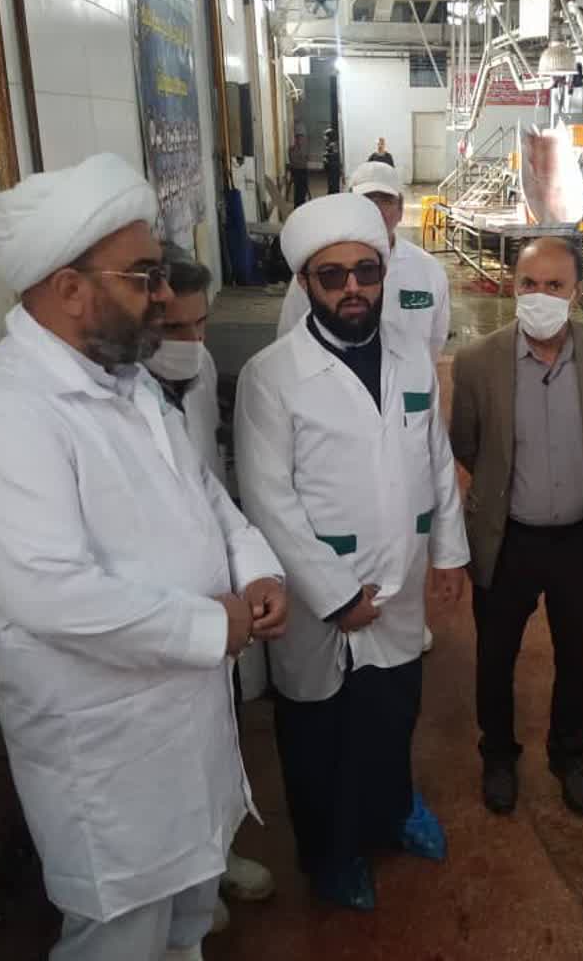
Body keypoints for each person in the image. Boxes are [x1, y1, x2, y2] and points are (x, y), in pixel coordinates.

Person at [0, 153, 288, 961]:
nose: (163, 293)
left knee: (187, 922)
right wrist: (214, 626)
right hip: (108, 748)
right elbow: (49, 594)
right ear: (68, 288)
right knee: (122, 937)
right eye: (143, 276)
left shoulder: (128, 385)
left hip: (184, 722)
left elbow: (205, 496)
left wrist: (255, 567)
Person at [234, 193, 470, 911]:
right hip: (321, 596)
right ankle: (331, 855)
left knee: (393, 710)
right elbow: (268, 501)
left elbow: (435, 460)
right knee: (319, 731)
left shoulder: (410, 356)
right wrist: (335, 596)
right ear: (305, 283)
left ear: (384, 271)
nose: (352, 289)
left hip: (398, 579)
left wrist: (449, 552)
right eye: (332, 276)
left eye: (366, 271)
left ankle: (393, 812)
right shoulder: (272, 376)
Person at [448, 236, 583, 818]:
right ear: (513, 286)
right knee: (495, 655)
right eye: (529, 283)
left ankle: (569, 756)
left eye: (555, 285)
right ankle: (498, 756)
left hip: (581, 538)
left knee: (578, 656)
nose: (540, 295)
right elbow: (467, 444)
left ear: (577, 293)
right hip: (508, 538)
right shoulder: (478, 361)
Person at [143, 245, 276, 933]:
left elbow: (208, 488)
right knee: (160, 769)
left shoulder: (194, 379)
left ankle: (214, 857)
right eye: (174, 329)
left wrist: (251, 571)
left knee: (219, 738)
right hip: (154, 621)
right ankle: (175, 887)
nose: (191, 344)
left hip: (214, 597)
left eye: (200, 325)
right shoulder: (113, 401)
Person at [276, 159, 452, 653]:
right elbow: (290, 342)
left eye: (385, 200)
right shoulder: (313, 275)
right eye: (365, 200)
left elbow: (435, 341)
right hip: (331, 413)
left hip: (408, 405)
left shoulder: (428, 271)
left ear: (399, 207)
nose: (376, 209)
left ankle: (406, 622)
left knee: (405, 522)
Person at [288, 131, 310, 208]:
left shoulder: (305, 149)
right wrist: (302, 159)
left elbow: (307, 159)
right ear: (296, 140)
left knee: (304, 189)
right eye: (299, 139)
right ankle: (297, 206)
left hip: (304, 171)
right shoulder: (292, 149)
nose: (301, 141)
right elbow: (294, 161)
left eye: (302, 139)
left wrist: (302, 159)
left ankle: (302, 205)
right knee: (298, 190)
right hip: (297, 171)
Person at [323, 126, 342, 195]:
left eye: (326, 136)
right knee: (331, 183)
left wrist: (327, 155)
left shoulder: (333, 145)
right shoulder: (329, 144)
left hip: (334, 168)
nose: (324, 137)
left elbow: (335, 155)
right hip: (330, 168)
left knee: (333, 184)